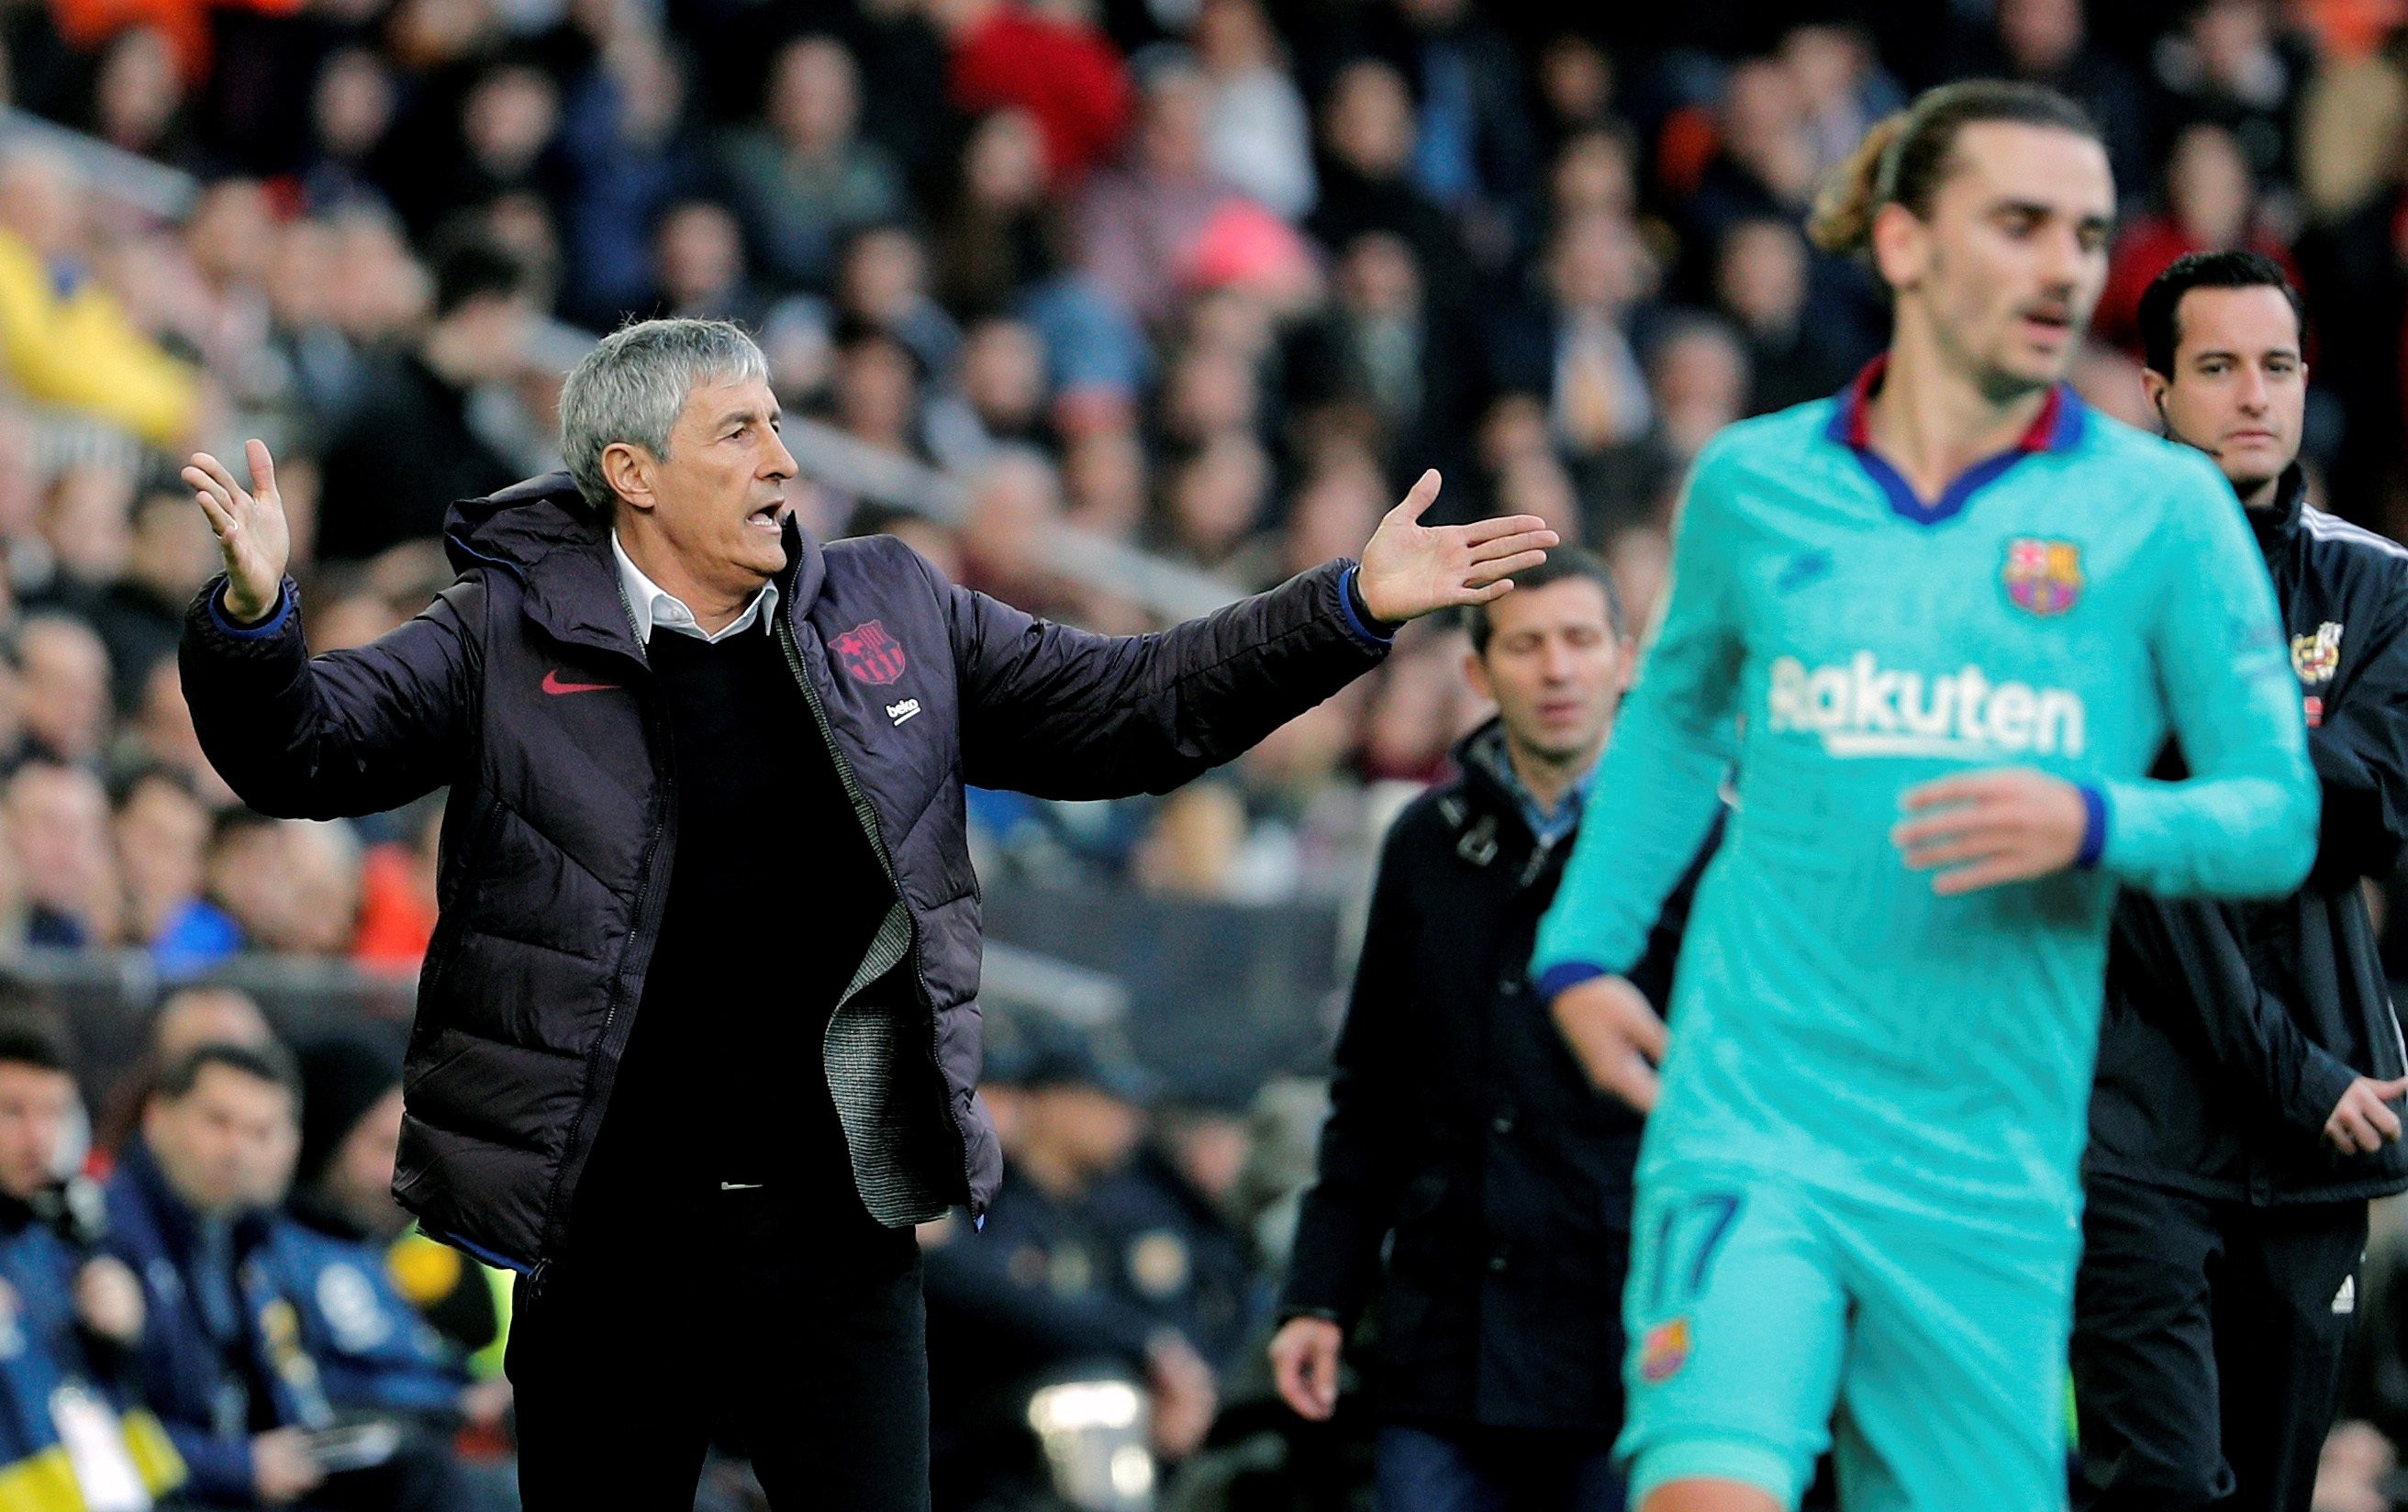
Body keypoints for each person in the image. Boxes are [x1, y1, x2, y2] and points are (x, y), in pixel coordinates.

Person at [174, 315, 1555, 1511]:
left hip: (835, 1231)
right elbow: (307, 753)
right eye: (740, 432)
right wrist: (252, 615)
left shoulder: (888, 606)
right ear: (632, 474)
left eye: (780, 422)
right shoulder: (499, 632)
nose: (784, 456)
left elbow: (1135, 712)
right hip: (610, 1235)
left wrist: (1347, 607)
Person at [1528, 82, 2318, 1512]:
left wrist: (2097, 821)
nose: (2064, 264)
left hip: (1987, 1170)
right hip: (1751, 1114)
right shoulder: (1755, 484)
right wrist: (1582, 948)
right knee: (1710, 1493)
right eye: (2017, 223)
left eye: (2084, 232)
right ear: (1903, 242)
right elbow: (1670, 728)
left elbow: (2277, 816)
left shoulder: (2162, 516)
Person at [1269, 548, 1713, 1512]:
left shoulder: (1705, 841)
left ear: (1624, 660)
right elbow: (1368, 1095)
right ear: (1476, 674)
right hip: (1444, 1346)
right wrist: (1319, 1295)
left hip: (1629, 1345)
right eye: (1525, 646)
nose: (1555, 669)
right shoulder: (1423, 844)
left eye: (1578, 641)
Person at [2071, 251, 2408, 1512]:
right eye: (2216, 367)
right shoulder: (2094, 587)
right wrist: (2288, 1069)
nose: (2251, 395)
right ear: (2158, 389)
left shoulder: (2378, 584)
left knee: (2274, 1489)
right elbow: (2137, 859)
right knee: (2162, 1486)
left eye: (2275, 366)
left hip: (2325, 1139)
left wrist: (2204, 737)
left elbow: (2372, 815)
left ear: (2309, 382)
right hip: (2138, 1128)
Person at [0, 1015, 184, 1505]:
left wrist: (130, 1335)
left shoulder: (68, 1239)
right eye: (12, 1112)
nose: (38, 1137)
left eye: (54, 1114)